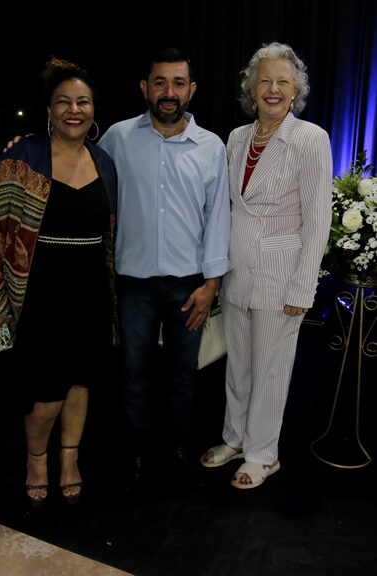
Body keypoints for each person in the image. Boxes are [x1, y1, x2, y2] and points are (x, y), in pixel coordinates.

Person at [0, 57, 117, 507]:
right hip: (39, 291)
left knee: (81, 380)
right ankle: (36, 459)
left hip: (90, 287)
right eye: (64, 101)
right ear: (49, 109)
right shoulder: (23, 155)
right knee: (45, 386)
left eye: (83, 101)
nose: (75, 109)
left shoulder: (105, 161)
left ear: (93, 109)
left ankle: (69, 456)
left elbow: (112, 231)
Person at [200, 42, 333, 489]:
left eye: (283, 81)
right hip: (237, 273)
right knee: (238, 364)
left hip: (282, 278)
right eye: (265, 81)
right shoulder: (237, 138)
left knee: (272, 369)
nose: (273, 89)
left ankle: (263, 453)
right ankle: (235, 438)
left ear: (296, 90)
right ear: (252, 89)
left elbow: (318, 220)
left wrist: (302, 289)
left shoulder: (311, 139)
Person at [98, 47, 231, 487]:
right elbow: (77, 171)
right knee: (134, 371)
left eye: (178, 83)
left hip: (188, 284)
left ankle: (174, 448)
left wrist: (212, 283)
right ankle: (138, 448)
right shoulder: (117, 138)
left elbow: (218, 220)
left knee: (182, 375)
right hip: (132, 283)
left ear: (191, 89)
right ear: (144, 88)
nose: (168, 92)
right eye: (160, 83)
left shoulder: (212, 147)